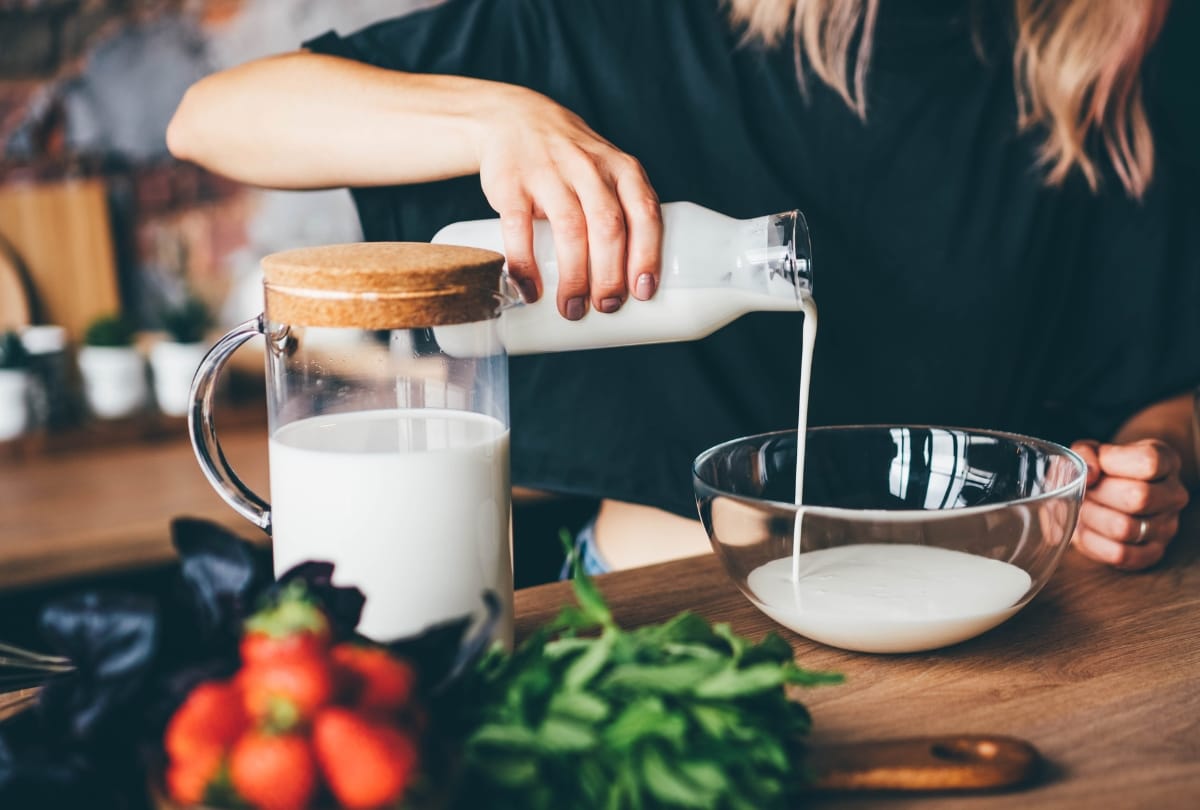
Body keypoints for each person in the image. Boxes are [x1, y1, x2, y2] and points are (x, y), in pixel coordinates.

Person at [168, 0, 1199, 575]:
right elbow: (214, 118)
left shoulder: (1108, 62)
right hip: (660, 607)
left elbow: (1161, 378)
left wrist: (1148, 478)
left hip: (991, 608)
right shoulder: (634, 25)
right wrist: (495, 120)